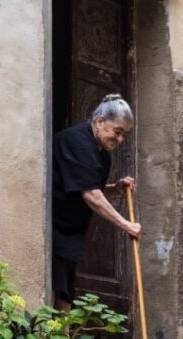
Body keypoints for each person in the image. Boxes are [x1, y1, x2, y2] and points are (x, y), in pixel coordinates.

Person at [52, 94, 141, 311]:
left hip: (72, 231)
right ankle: (52, 332)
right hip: (54, 227)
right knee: (56, 286)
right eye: (117, 132)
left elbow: (86, 186)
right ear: (100, 122)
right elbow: (91, 195)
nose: (120, 139)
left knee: (66, 290)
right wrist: (126, 225)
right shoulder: (78, 141)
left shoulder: (102, 154)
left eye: (124, 135)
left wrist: (115, 188)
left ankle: (63, 333)